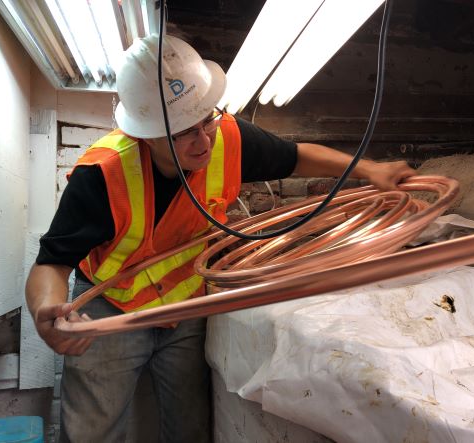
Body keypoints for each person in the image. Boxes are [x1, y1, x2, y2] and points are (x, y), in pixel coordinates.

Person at [25, 34, 416, 442]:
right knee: (92, 432)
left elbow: (295, 156)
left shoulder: (227, 137)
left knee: (190, 426)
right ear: (148, 134)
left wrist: (371, 171)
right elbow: (51, 263)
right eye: (184, 132)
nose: (204, 140)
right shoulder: (102, 176)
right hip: (111, 306)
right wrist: (49, 310)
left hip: (186, 305)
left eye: (206, 120)